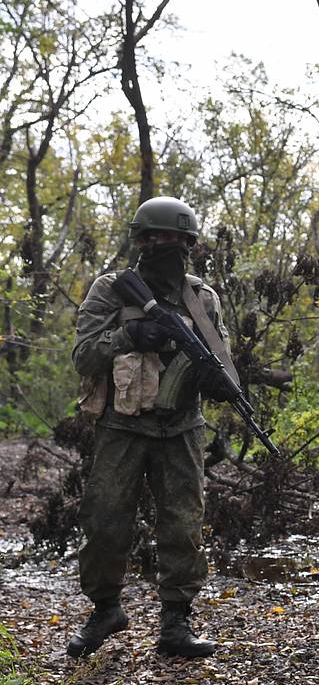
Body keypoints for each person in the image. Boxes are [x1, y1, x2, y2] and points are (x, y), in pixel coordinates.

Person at [68, 197, 237, 660]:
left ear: (190, 244)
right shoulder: (111, 290)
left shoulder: (202, 299)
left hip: (181, 428)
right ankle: (105, 610)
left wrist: (215, 379)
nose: (167, 246)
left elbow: (225, 365)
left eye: (178, 240)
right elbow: (83, 356)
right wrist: (128, 336)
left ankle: (176, 622)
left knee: (183, 527)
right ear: (140, 241)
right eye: (157, 237)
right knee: (104, 522)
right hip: (121, 426)